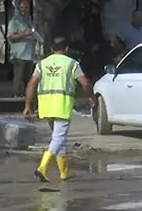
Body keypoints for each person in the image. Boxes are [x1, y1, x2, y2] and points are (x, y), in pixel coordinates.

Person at [23, 37, 92, 183]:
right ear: (66, 49)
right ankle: (42, 166)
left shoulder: (42, 64)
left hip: (46, 106)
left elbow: (31, 84)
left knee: (59, 138)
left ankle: (64, 172)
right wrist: (90, 96)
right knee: (58, 138)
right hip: (62, 105)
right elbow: (84, 83)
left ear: (50, 49)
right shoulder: (72, 64)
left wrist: (27, 106)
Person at [8, 0, 37, 97]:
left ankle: (27, 98)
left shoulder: (29, 20)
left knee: (28, 79)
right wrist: (23, 34)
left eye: (26, 7)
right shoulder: (15, 21)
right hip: (19, 55)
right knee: (18, 79)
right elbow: (10, 37)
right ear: (19, 8)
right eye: (22, 7)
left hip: (29, 55)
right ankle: (16, 98)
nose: (24, 9)